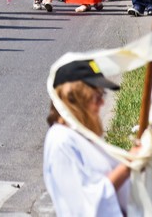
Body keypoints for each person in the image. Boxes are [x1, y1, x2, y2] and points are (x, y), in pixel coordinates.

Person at [44, 59, 137, 215]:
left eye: (103, 95)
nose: (102, 102)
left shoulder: (82, 136)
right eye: (96, 96)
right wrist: (128, 166)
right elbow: (84, 207)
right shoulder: (60, 140)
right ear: (75, 99)